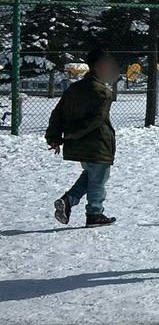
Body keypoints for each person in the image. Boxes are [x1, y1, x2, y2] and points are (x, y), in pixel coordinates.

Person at [47, 48, 119, 228]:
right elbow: (97, 119)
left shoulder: (74, 88)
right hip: (97, 144)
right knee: (98, 180)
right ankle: (95, 213)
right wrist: (72, 134)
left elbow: (58, 113)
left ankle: (68, 201)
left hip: (80, 144)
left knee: (91, 176)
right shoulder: (102, 92)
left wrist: (55, 136)